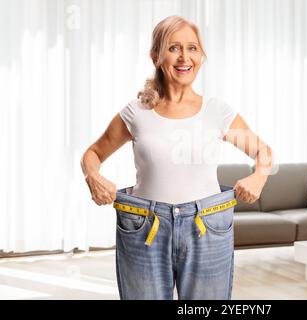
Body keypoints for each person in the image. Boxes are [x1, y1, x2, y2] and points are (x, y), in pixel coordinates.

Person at [80, 15, 273, 300]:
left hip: (207, 226)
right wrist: (93, 176)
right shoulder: (136, 112)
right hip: (145, 226)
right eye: (173, 48)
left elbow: (263, 152)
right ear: (156, 56)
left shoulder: (217, 112)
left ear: (201, 56)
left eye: (192, 48)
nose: (184, 57)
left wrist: (259, 176)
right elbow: (93, 153)